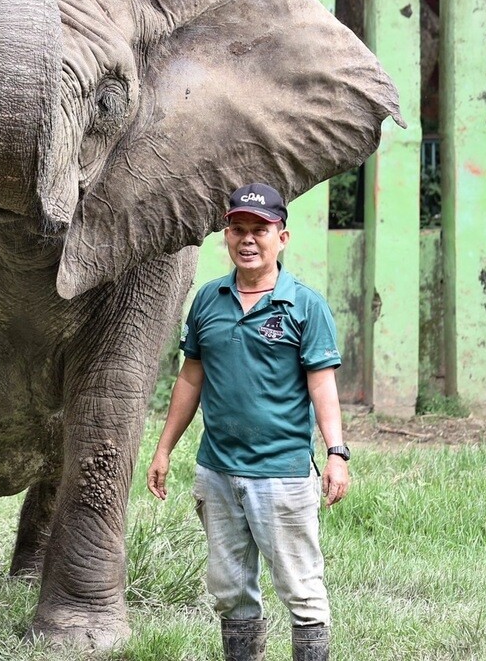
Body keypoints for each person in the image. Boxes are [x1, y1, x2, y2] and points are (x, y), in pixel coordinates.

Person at [146, 182, 350, 661]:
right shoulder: (208, 300)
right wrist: (163, 449)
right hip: (216, 470)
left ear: (283, 237)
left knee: (302, 590)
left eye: (260, 229)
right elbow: (190, 378)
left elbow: (322, 386)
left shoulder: (305, 305)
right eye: (239, 229)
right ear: (226, 234)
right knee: (231, 591)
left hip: (282, 474)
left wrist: (336, 453)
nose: (249, 239)